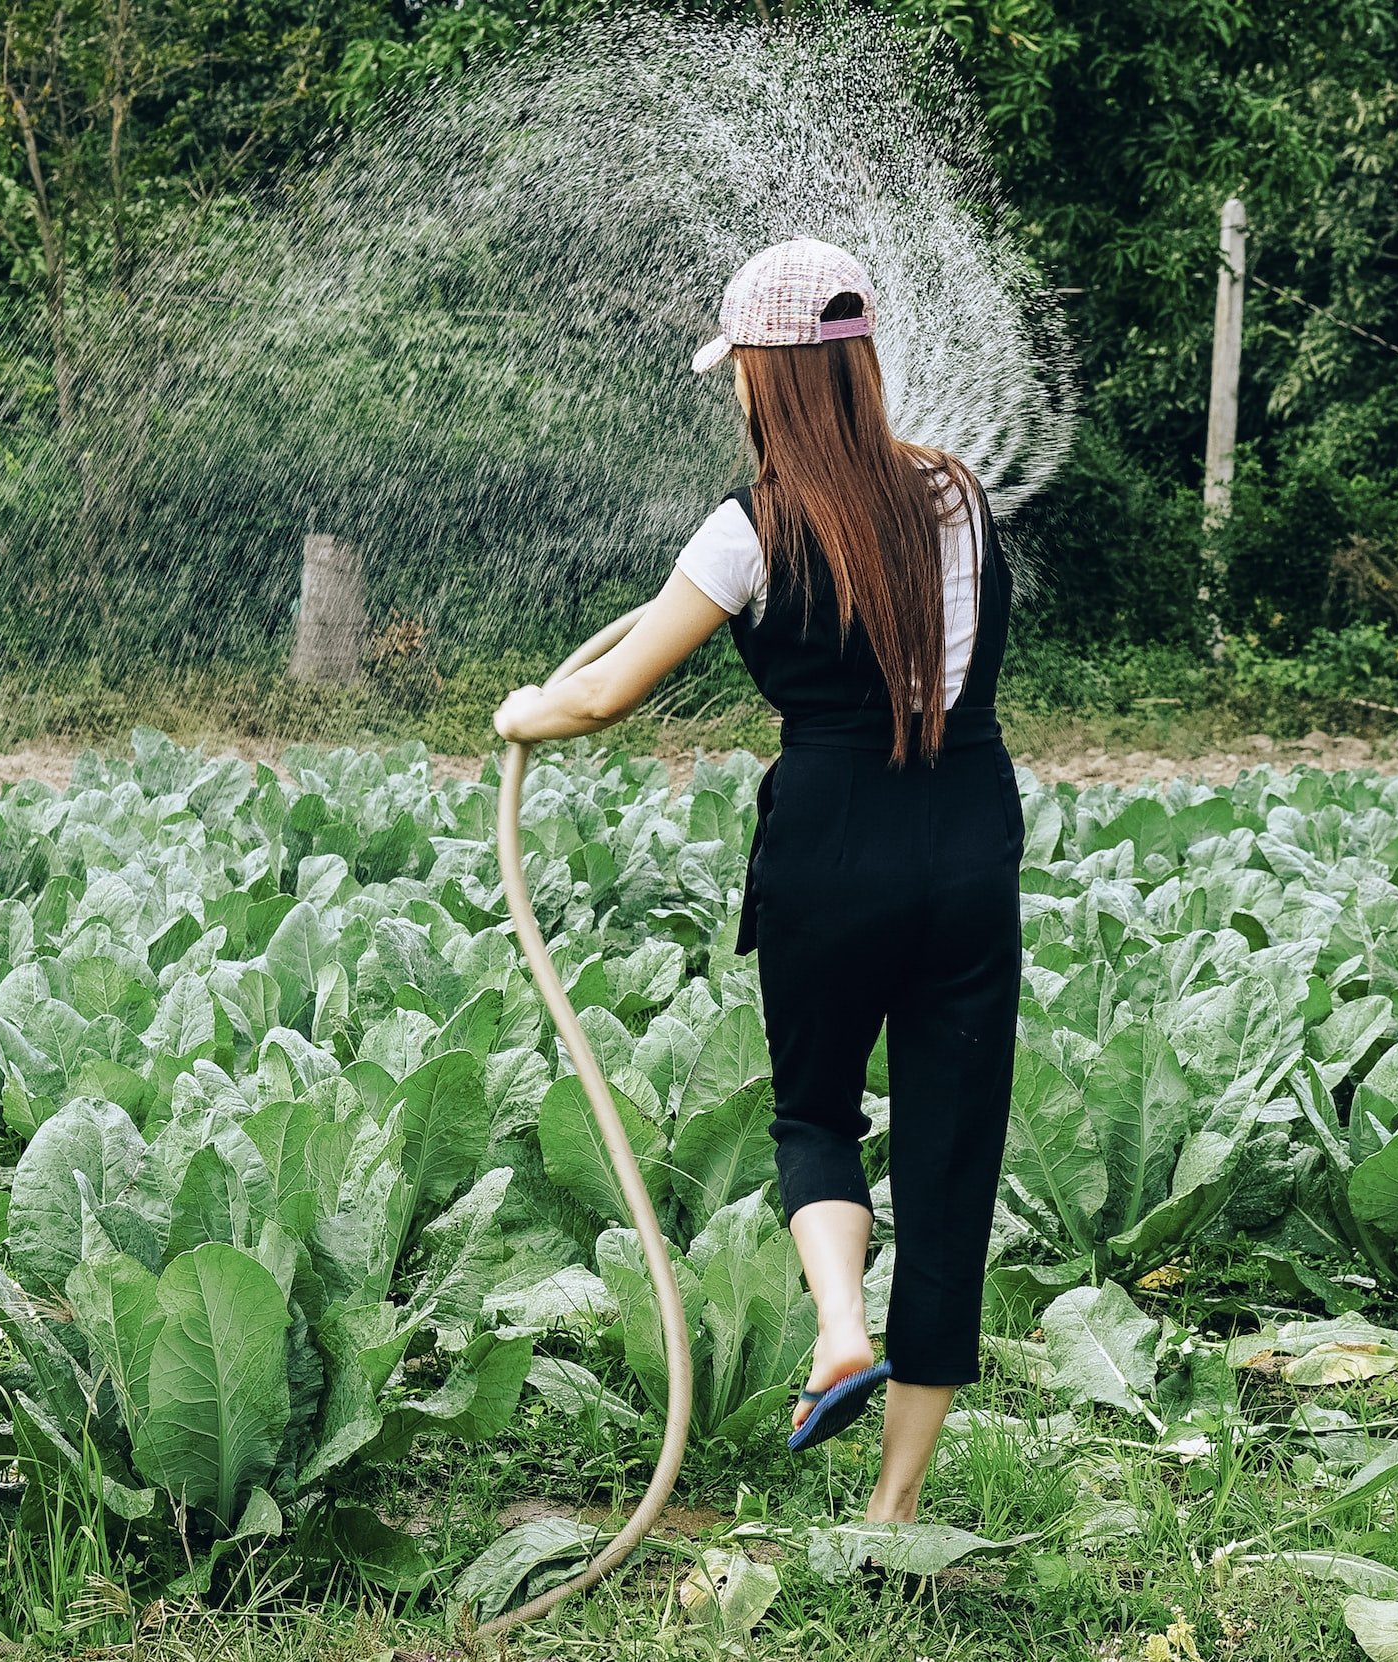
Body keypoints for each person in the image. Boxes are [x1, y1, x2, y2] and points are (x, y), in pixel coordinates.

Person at [492, 238, 1021, 1526]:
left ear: (766, 381)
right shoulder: (957, 496)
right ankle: (894, 1510)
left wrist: (525, 708)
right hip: (967, 835)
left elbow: (607, 691)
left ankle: (841, 1325)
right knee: (952, 1158)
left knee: (817, 1110)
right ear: (862, 365)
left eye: (738, 373)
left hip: (832, 841)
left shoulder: (750, 528)